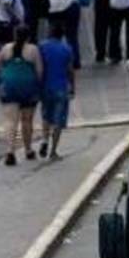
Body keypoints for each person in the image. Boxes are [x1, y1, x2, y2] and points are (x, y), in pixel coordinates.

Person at [0, 25, 43, 166]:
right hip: (28, 86)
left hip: (9, 86)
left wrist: (4, 72)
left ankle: (10, 152)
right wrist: (38, 85)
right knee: (27, 120)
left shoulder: (7, 48)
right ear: (28, 37)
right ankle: (28, 150)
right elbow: (40, 71)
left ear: (14, 35)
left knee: (10, 121)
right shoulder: (33, 50)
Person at [38, 19, 75, 160]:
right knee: (58, 121)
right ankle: (53, 151)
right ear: (62, 34)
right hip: (61, 87)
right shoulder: (67, 49)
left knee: (46, 116)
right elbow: (70, 70)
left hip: (46, 86)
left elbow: (39, 66)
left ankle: (44, 140)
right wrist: (72, 87)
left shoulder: (42, 46)